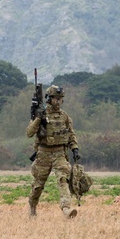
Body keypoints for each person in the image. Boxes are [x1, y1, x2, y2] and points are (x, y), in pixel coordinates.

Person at [27, 85, 80, 218]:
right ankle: (32, 207)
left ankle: (66, 209)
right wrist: (38, 118)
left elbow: (71, 134)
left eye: (60, 99)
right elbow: (29, 132)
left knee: (63, 180)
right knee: (38, 185)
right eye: (56, 99)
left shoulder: (64, 117)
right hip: (43, 154)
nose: (58, 102)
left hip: (59, 154)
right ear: (49, 99)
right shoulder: (41, 114)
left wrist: (75, 148)